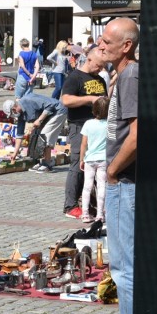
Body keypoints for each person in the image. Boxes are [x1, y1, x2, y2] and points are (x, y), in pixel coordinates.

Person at [100, 17, 139, 314]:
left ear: (126, 46)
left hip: (125, 182)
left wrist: (112, 172)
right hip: (123, 181)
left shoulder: (130, 77)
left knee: (124, 266)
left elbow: (138, 135)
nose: (100, 46)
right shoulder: (123, 76)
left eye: (106, 43)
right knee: (125, 264)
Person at [60, 49, 107, 219]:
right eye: (98, 65)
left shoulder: (100, 79)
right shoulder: (74, 77)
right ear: (89, 60)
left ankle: (91, 204)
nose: (100, 69)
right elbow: (65, 100)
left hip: (100, 126)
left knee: (98, 166)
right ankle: (70, 206)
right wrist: (89, 99)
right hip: (79, 126)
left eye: (103, 66)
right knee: (78, 163)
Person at [3, 94, 68, 173]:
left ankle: (47, 164)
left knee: (45, 136)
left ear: (14, 108)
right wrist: (15, 153)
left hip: (58, 111)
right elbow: (19, 135)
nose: (13, 116)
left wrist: (40, 120)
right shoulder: (20, 115)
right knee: (36, 136)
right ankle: (42, 162)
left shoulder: (29, 100)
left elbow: (51, 104)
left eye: (12, 113)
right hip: (48, 116)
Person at [79, 97, 109, 223]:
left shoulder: (88, 123)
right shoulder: (109, 125)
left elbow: (83, 144)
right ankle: (100, 214)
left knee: (87, 186)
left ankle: (85, 213)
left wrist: (81, 159)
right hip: (103, 159)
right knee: (102, 186)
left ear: (93, 110)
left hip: (90, 159)